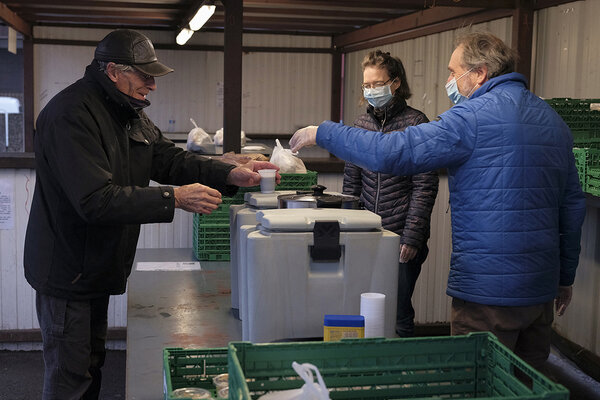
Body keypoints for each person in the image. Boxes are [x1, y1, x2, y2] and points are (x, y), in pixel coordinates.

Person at [290, 32, 586, 373]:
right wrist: (565, 277)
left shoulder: (470, 119)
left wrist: (322, 132)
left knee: (477, 381)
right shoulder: (553, 122)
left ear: (479, 73)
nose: (448, 80)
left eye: (452, 71)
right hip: (539, 292)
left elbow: (391, 152)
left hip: (486, 295)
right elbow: (571, 207)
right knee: (524, 384)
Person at [24, 29, 279, 400]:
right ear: (113, 71)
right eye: (145, 76)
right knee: (70, 380)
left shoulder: (128, 112)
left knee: (91, 366)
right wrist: (173, 198)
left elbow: (168, 158)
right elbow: (96, 200)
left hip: (94, 267)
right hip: (67, 273)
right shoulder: (71, 116)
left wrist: (226, 171)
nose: (152, 86)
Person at [344, 50, 438, 337]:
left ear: (395, 83)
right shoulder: (361, 125)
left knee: (398, 310)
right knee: (362, 307)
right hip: (366, 235)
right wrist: (350, 229)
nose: (371, 91)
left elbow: (425, 185)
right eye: (366, 86)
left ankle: (402, 371)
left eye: (377, 83)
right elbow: (352, 182)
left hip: (400, 237)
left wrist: (411, 237)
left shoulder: (416, 124)